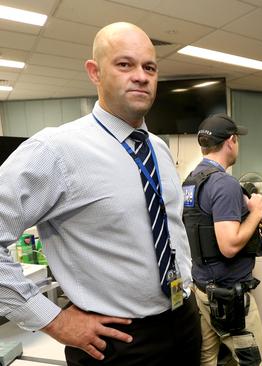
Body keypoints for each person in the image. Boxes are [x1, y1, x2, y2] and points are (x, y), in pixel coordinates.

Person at [0, 22, 201, 365]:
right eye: (125, 64)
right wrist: (52, 319)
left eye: (149, 67)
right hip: (118, 341)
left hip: (183, 320)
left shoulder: (159, 149)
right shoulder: (55, 150)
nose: (141, 76)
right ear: (94, 72)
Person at [182, 114, 262, 365]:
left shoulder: (191, 181)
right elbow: (229, 245)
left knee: (208, 356)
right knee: (255, 360)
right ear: (231, 141)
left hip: (203, 286)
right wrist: (257, 211)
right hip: (226, 294)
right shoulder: (224, 183)